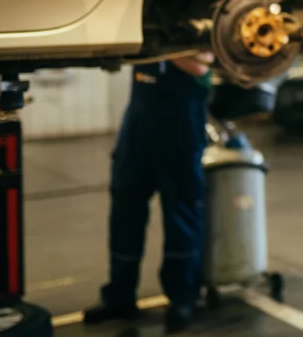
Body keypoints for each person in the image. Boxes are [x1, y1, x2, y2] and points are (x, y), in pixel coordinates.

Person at [83, 53, 215, 333]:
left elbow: (202, 64)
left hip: (180, 134)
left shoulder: (195, 25)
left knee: (181, 217)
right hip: (137, 132)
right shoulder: (143, 28)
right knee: (124, 218)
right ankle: (119, 298)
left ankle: (183, 298)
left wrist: (163, 46)